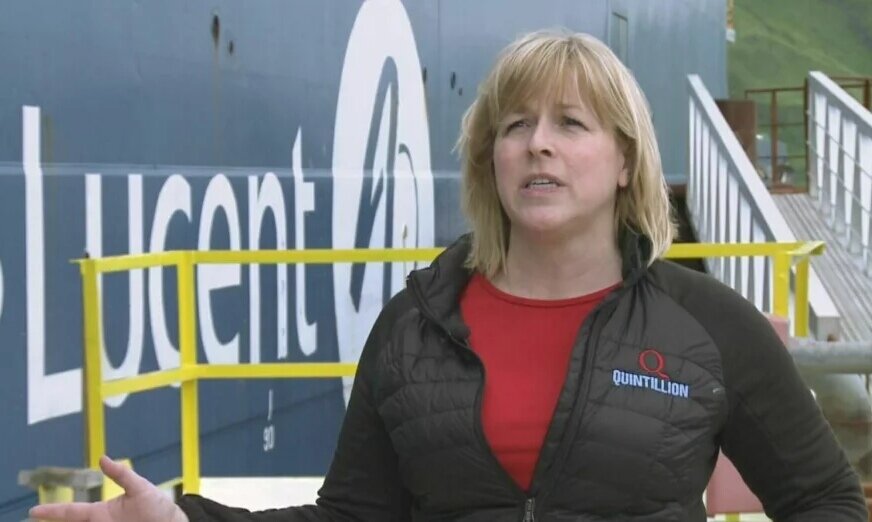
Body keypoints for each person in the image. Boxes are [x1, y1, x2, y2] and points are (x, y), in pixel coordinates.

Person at [31, 30, 867, 522]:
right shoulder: (417, 324)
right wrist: (185, 519)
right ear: (489, 159)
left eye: (570, 123)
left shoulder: (707, 327)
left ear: (625, 162)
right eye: (515, 125)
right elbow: (350, 518)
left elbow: (825, 500)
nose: (537, 143)